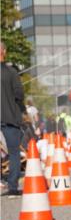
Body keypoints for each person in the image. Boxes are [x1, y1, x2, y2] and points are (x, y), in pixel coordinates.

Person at [1, 41, 27, 196]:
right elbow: (19, 95)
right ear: (4, 51)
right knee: (14, 153)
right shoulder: (11, 72)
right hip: (10, 118)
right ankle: (12, 188)